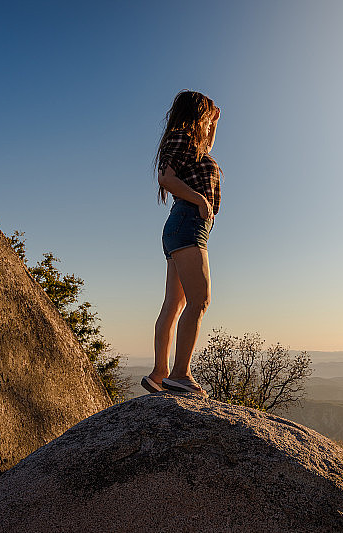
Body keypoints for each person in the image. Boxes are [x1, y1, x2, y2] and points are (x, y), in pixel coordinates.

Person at [141, 90, 222, 397]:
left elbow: (205, 147)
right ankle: (180, 375)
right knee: (200, 300)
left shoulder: (190, 143)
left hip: (183, 226)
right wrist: (201, 199)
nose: (206, 122)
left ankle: (160, 373)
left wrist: (215, 123)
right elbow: (166, 178)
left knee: (174, 304)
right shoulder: (179, 137)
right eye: (205, 115)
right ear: (194, 114)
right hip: (188, 223)